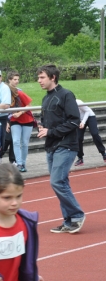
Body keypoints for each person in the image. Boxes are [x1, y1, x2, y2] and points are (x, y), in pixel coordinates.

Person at [36, 64, 86, 234]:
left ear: (53, 78)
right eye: (39, 77)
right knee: (61, 183)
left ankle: (77, 215)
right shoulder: (45, 98)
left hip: (66, 146)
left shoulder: (66, 95)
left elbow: (73, 121)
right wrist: (43, 128)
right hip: (51, 146)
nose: (39, 81)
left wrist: (51, 131)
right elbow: (49, 122)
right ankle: (69, 221)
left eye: (42, 77)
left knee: (56, 181)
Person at [5, 72, 35, 172]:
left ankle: (23, 163)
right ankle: (19, 163)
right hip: (14, 120)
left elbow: (29, 105)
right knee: (16, 141)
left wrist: (20, 113)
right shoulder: (5, 93)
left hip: (26, 119)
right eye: (15, 79)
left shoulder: (19, 93)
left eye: (18, 79)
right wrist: (7, 122)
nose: (17, 81)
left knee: (24, 143)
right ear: (9, 80)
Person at [74, 99, 106, 166]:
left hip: (89, 116)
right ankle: (80, 158)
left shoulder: (78, 102)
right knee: (78, 138)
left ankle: (104, 154)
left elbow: (87, 111)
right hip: (79, 120)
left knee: (95, 133)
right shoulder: (64, 105)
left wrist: (83, 122)